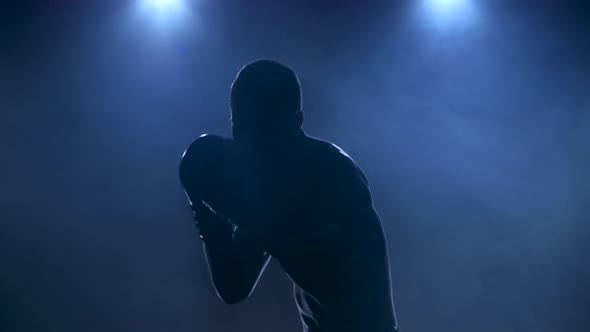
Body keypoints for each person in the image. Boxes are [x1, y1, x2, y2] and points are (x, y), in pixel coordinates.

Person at [179, 59, 400, 332]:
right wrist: (203, 209)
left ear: (296, 121)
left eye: (262, 127)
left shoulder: (335, 174)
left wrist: (218, 195)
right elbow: (234, 287)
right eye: (242, 127)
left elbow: (304, 246)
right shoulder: (263, 189)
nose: (251, 142)